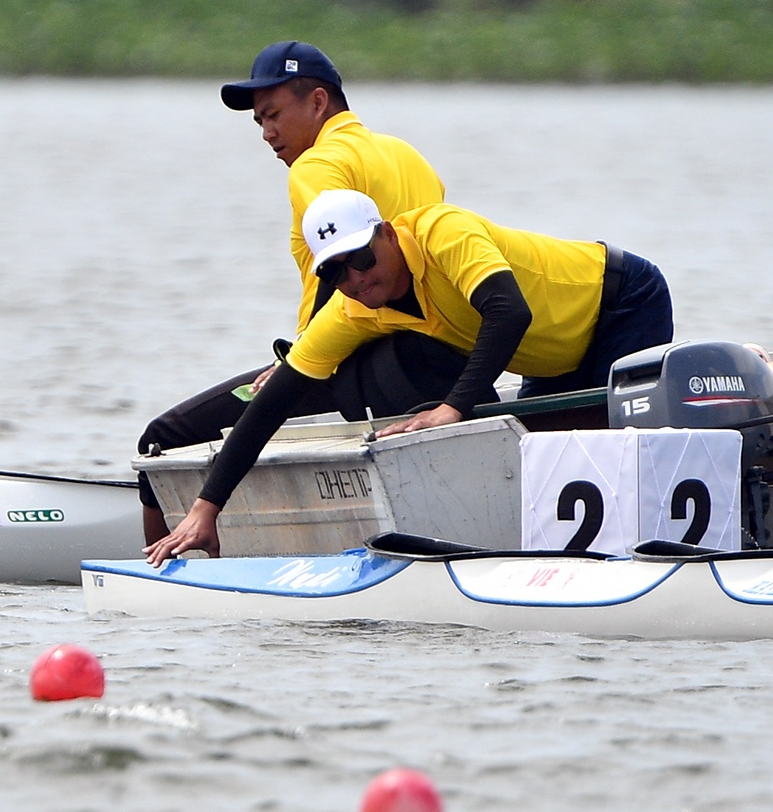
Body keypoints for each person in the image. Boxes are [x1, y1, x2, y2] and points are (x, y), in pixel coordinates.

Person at [144, 188, 674, 564]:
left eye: (360, 258)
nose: (354, 279)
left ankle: (656, 551)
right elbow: (271, 404)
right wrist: (206, 509)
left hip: (621, 301)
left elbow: (509, 313)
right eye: (333, 272)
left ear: (388, 234)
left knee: (608, 453)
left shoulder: (444, 231)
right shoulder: (352, 308)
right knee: (544, 463)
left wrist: (451, 407)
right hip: (550, 356)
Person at [136, 41, 455, 541]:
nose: (267, 133)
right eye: (259, 122)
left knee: (164, 436)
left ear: (319, 102)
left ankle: (158, 561)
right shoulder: (407, 155)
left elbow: (344, 265)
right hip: (440, 356)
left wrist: (298, 359)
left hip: (364, 361)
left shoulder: (316, 167)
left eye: (274, 114)